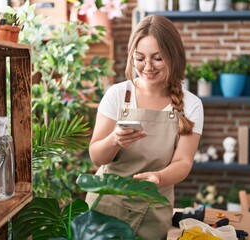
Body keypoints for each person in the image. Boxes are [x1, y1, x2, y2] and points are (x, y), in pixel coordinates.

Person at [86, 14, 204, 240]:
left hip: (153, 210)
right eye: (140, 58)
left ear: (174, 57)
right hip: (107, 206)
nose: (147, 66)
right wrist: (114, 140)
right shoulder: (118, 94)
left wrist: (159, 178)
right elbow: (96, 157)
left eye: (158, 58)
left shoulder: (191, 105)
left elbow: (183, 162)